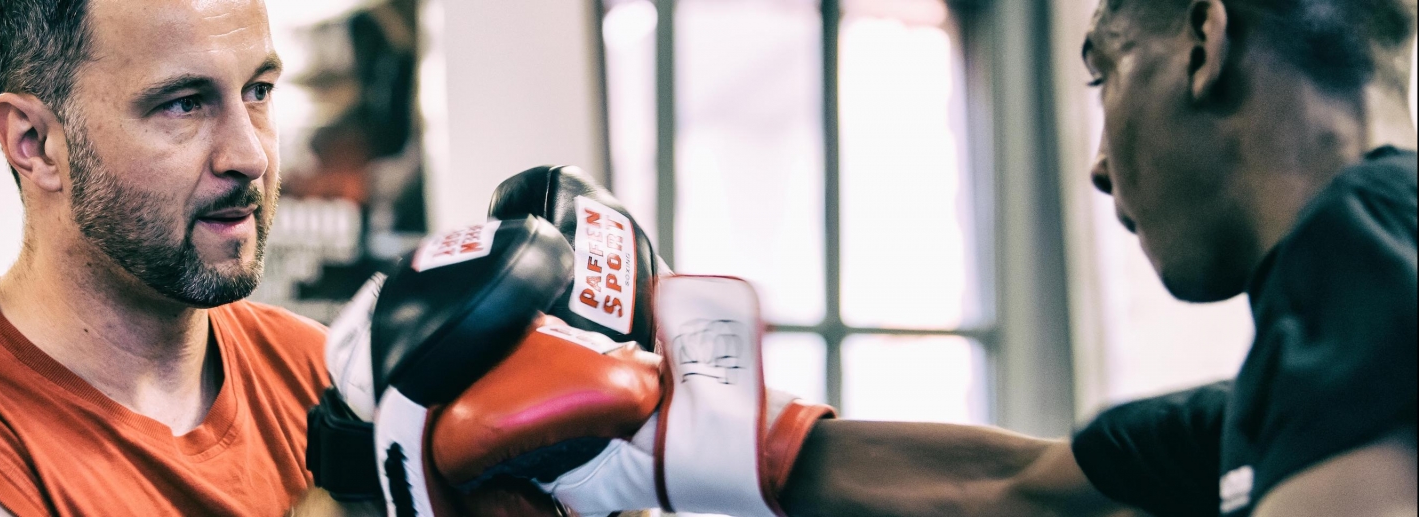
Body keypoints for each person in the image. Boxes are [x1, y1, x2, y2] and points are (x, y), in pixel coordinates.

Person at [399, 0, 1416, 516]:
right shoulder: (1309, 374)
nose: (1101, 165)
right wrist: (662, 443)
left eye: (1103, 71)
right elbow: (1019, 487)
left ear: (1204, 42)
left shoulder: (1360, 236)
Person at [0, 0, 373, 514]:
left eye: (258, 91)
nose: (250, 156)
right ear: (34, 142)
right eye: (183, 104)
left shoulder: (322, 375)